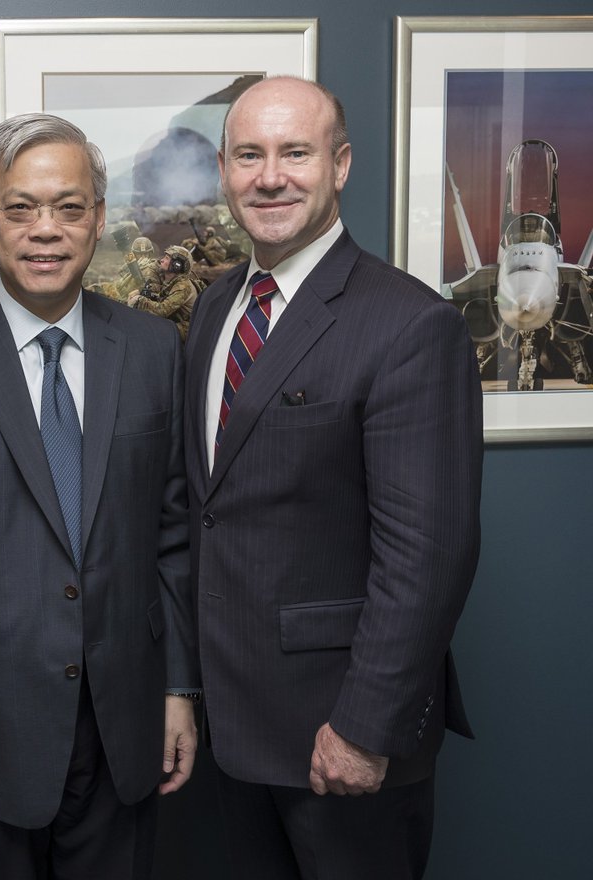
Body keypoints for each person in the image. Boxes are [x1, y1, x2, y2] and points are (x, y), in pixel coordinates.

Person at [0, 113, 197, 880]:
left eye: (69, 207)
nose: (45, 230)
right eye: (21, 208)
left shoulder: (154, 352)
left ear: (98, 220)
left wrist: (179, 687)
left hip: (125, 729)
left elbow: (173, 535)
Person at [183, 76, 482, 879]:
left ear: (341, 165)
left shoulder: (411, 324)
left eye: (295, 153)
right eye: (249, 155)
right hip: (237, 726)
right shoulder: (216, 308)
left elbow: (430, 553)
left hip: (340, 736)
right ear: (223, 170)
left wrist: (364, 728)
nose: (269, 176)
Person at [128, 244, 199, 341]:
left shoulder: (183, 287)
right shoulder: (171, 281)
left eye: (166, 258)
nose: (162, 260)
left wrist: (139, 301)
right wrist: (142, 291)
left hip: (188, 329)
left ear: (177, 265)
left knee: (153, 330)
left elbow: (162, 311)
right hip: (176, 322)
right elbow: (160, 292)